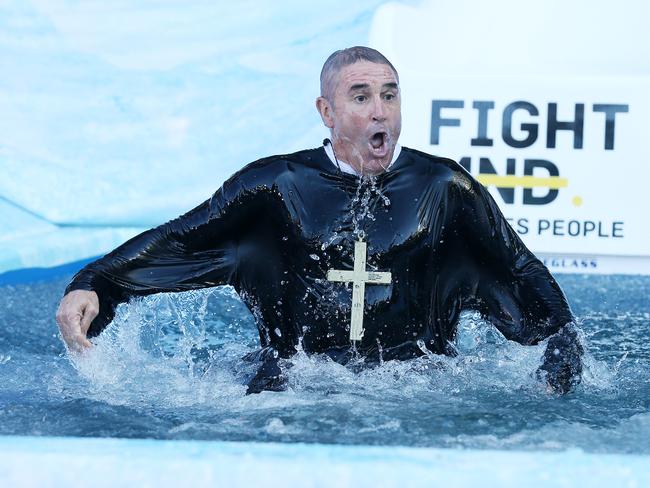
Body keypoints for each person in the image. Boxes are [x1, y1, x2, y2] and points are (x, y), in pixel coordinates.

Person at [56, 46, 583, 394]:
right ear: (326, 112)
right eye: (361, 97)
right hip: (291, 385)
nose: (380, 111)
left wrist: (562, 346)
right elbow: (184, 238)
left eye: (389, 95)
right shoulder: (276, 187)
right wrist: (97, 283)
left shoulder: (443, 188)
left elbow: (517, 268)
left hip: (418, 386)